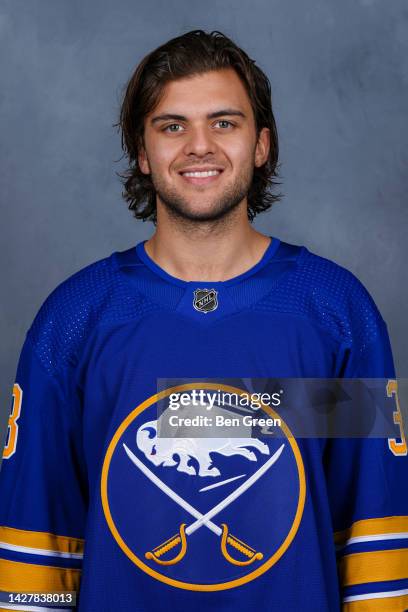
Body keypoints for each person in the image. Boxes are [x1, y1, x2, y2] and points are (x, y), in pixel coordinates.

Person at [0, 29, 407, 612]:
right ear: (142, 153)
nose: (199, 147)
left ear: (261, 144)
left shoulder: (334, 311)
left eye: (224, 122)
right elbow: (37, 549)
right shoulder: (76, 319)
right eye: (172, 126)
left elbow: (373, 535)